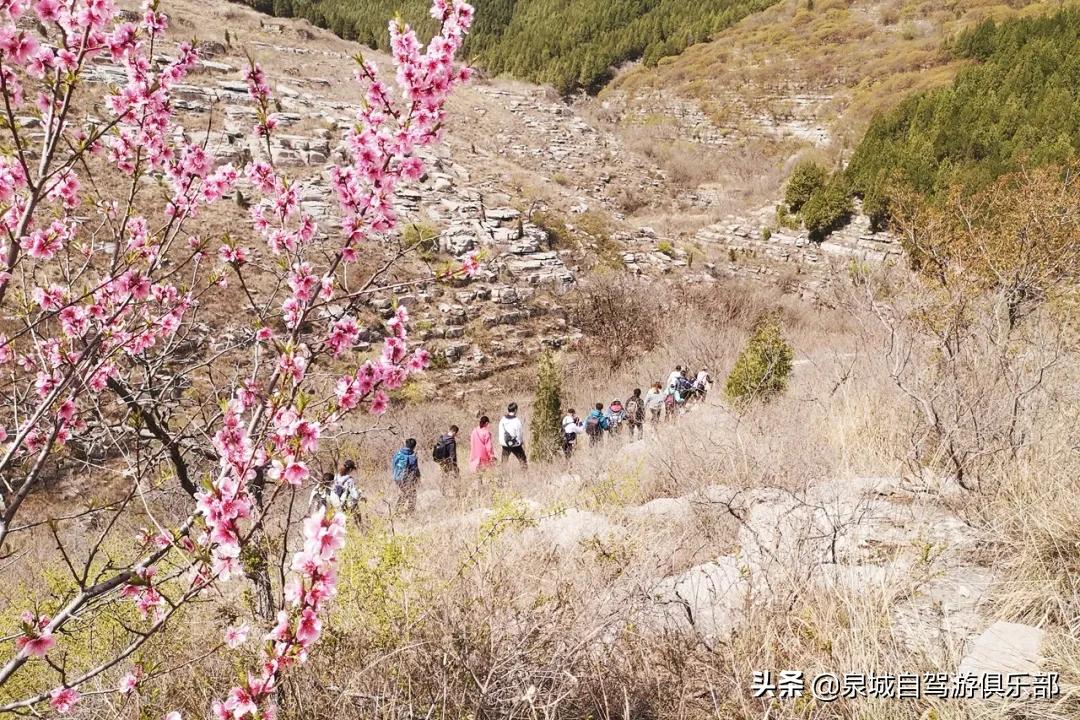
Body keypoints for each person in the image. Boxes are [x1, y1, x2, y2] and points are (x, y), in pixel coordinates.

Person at [391, 439, 421, 513]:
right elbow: (414, 470)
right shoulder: (412, 456)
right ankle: (410, 512)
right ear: (414, 446)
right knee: (412, 495)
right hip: (407, 479)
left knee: (404, 493)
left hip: (397, 477)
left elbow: (393, 464)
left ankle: (397, 511)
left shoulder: (398, 453)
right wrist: (417, 479)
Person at [498, 403, 527, 467]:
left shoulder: (502, 420)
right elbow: (519, 433)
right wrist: (520, 442)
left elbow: (500, 432)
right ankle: (524, 474)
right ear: (516, 410)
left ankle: (502, 474)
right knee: (523, 460)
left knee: (504, 462)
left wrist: (502, 442)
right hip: (515, 444)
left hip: (505, 443)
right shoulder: (516, 421)